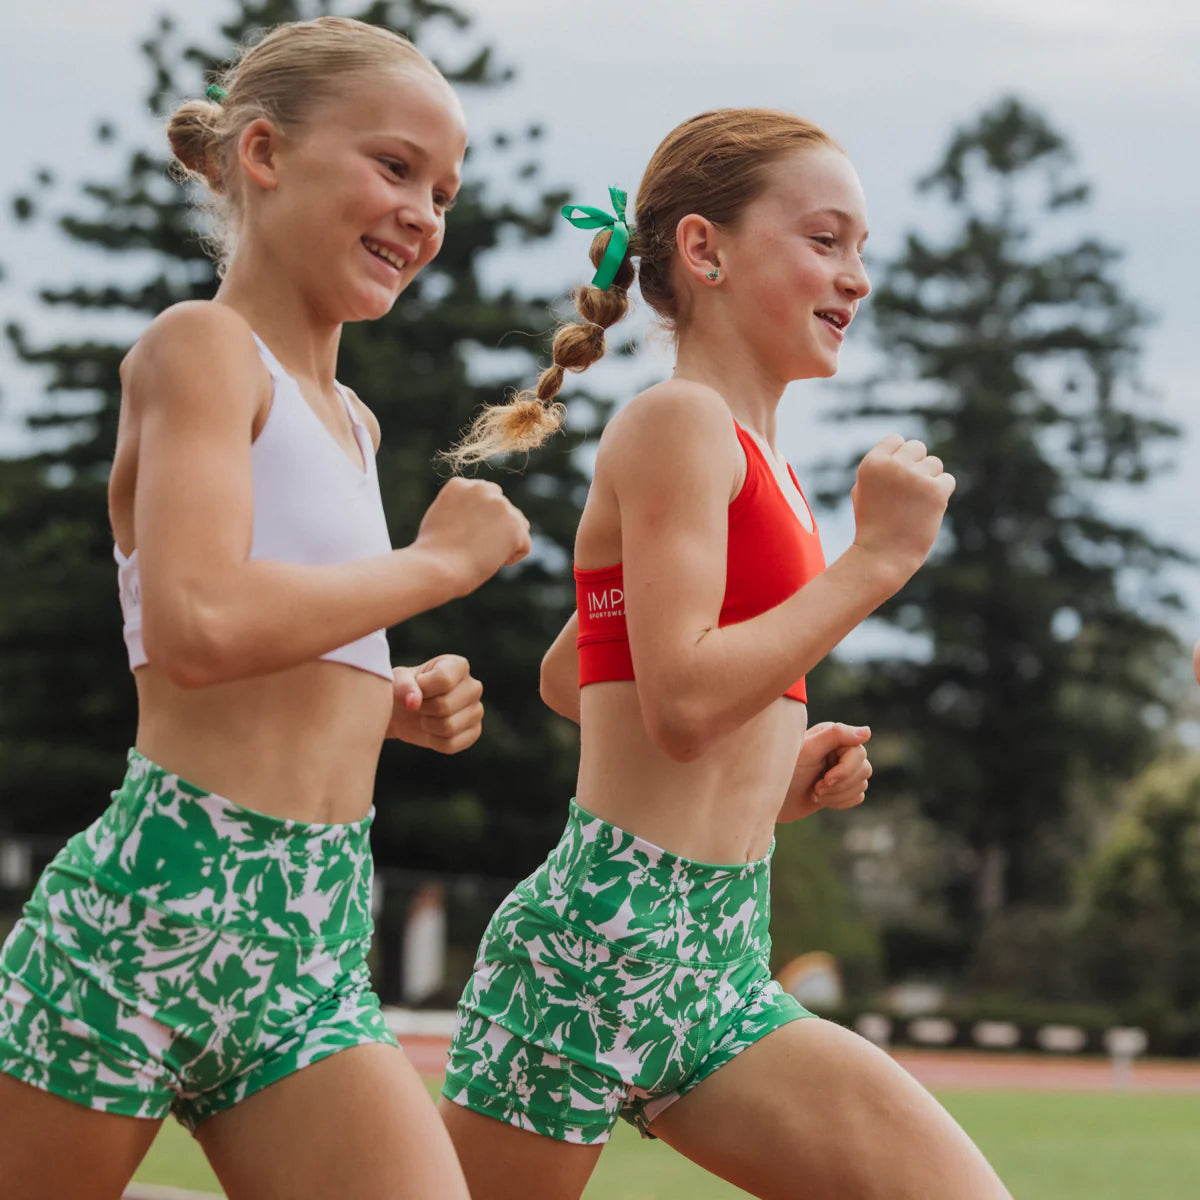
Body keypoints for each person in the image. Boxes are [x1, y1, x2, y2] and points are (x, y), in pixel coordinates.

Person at [436, 109, 1011, 1199]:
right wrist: (876, 561)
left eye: (863, 250)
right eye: (826, 240)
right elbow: (682, 703)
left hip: (712, 964)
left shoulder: (763, 463)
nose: (858, 278)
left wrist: (766, 784)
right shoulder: (677, 426)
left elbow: (581, 676)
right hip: (594, 948)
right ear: (705, 252)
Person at [0, 17, 530, 1200]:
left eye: (443, 191)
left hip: (312, 938)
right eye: (394, 167)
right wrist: (436, 568)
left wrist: (383, 697)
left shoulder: (355, 422)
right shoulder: (200, 350)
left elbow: (276, 626)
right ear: (264, 154)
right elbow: (194, 625)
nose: (423, 214)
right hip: (151, 914)